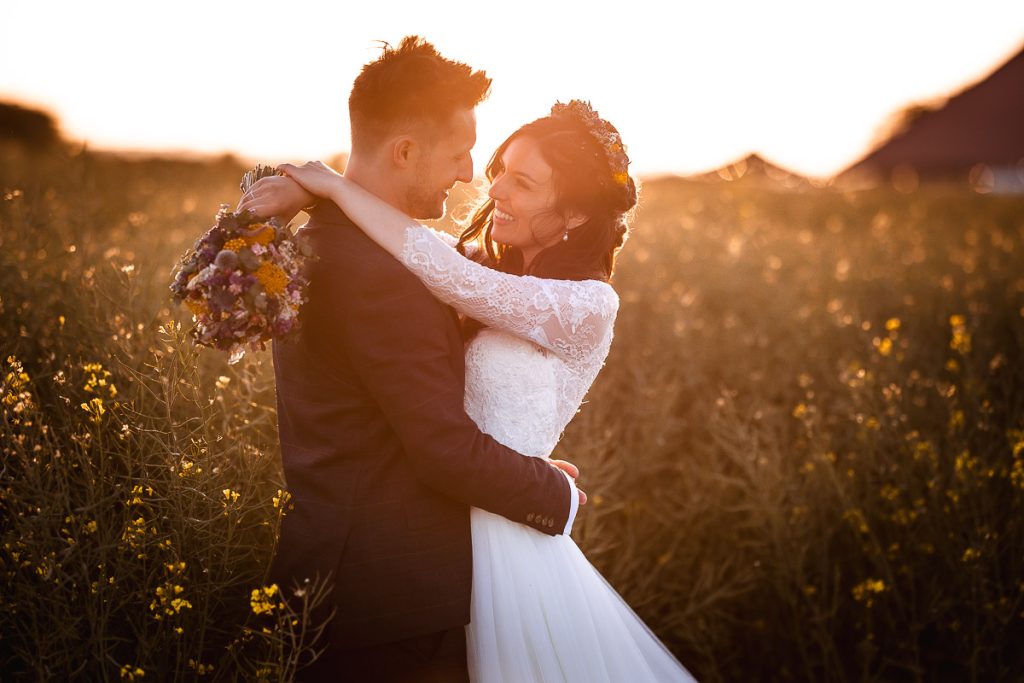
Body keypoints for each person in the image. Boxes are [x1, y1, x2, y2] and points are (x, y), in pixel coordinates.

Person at [256, 94, 698, 679]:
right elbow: (421, 250)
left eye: (522, 183)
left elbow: (449, 274)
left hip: (508, 531)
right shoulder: (491, 269)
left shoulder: (586, 305)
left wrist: (334, 187)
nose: (494, 192)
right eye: (497, 172)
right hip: (452, 522)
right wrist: (308, 193)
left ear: (576, 215)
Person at [239, 37, 586, 682]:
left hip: (341, 579)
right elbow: (440, 448)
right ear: (405, 152)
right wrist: (554, 494)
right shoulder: (378, 276)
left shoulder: (327, 242)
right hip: (386, 606)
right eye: (459, 153)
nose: (467, 174)